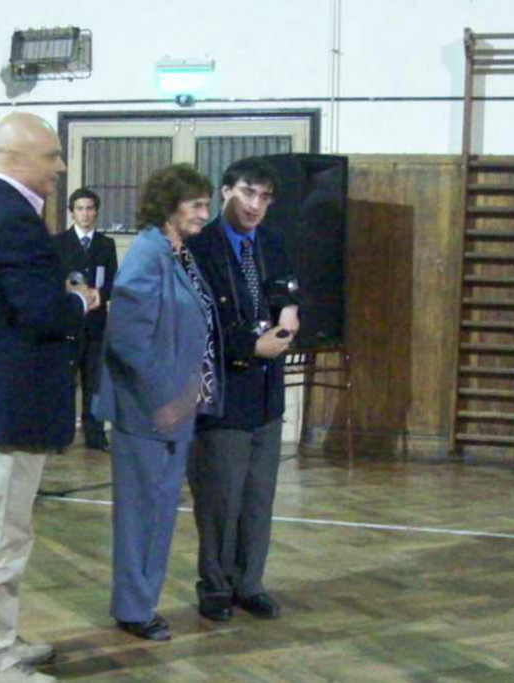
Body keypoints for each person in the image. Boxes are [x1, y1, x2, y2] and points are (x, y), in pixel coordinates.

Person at [0, 112, 100, 683]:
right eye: (53, 155)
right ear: (18, 157)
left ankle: (0, 644)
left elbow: (12, 302)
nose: (60, 167)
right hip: (7, 406)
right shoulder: (10, 218)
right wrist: (82, 301)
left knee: (3, 534)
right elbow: (41, 312)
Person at [92, 164, 222, 642]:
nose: (205, 215)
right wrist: (165, 398)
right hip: (149, 412)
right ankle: (133, 608)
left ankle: (141, 601)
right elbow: (126, 340)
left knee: (159, 511)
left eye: (208, 204)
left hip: (175, 408)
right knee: (142, 515)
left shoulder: (177, 253)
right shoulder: (147, 253)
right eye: (197, 205)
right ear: (170, 206)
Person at [185, 156, 299, 623]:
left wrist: (291, 308)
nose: (257, 205)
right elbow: (197, 326)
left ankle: (249, 583)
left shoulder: (273, 240)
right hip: (224, 396)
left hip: (267, 395)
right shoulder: (200, 246)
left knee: (258, 498)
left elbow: (287, 289)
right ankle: (215, 588)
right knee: (220, 500)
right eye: (249, 193)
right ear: (226, 190)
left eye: (265, 197)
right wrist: (251, 345)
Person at [53, 188, 118, 451]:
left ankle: (95, 435)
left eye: (90, 208)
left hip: (96, 323)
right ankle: (60, 435)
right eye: (80, 208)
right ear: (72, 212)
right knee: (65, 381)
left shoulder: (106, 244)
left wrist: (99, 295)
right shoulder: (58, 243)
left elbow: (113, 280)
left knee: (94, 381)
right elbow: (53, 279)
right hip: (68, 323)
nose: (85, 214)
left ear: (96, 212)